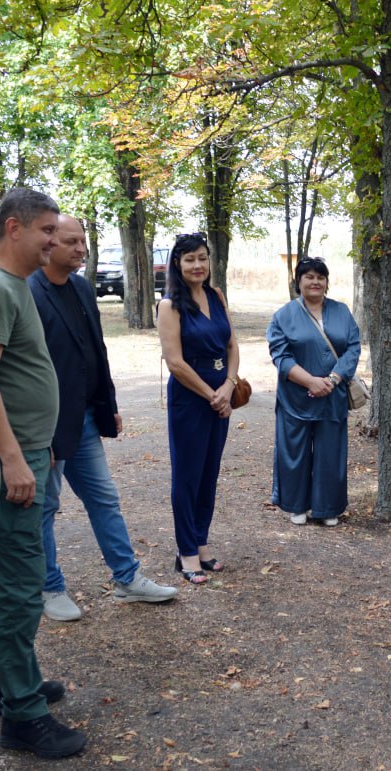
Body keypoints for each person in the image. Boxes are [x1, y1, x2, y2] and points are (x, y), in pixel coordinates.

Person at [0, 188, 86, 759]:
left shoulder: (10, 286)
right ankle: (23, 714)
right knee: (20, 587)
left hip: (29, 452)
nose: (55, 242)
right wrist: (12, 458)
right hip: (11, 461)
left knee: (7, 576)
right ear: (14, 228)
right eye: (47, 232)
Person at [29, 216, 178, 621]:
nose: (81, 249)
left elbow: (94, 350)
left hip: (84, 418)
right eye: (71, 241)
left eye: (83, 242)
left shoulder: (79, 286)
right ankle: (48, 587)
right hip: (44, 424)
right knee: (46, 507)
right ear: (48, 243)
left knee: (104, 498)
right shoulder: (27, 290)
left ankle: (127, 579)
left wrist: (107, 402)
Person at [158, 232, 238, 584]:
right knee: (187, 475)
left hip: (221, 393)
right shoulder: (169, 305)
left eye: (202, 258)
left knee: (209, 472)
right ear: (178, 263)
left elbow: (232, 345)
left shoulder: (216, 296)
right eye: (189, 259)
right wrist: (211, 394)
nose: (197, 265)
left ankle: (202, 544)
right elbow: (174, 362)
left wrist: (229, 387)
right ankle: (186, 552)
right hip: (191, 398)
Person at [266, 257, 362, 527]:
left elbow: (353, 347)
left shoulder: (342, 311)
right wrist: (310, 381)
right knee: (294, 452)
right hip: (295, 398)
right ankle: (296, 505)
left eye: (320, 277)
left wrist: (331, 380)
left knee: (330, 453)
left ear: (327, 282)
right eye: (308, 276)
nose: (315, 281)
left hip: (333, 396)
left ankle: (327, 507)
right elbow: (281, 356)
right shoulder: (284, 315)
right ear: (299, 281)